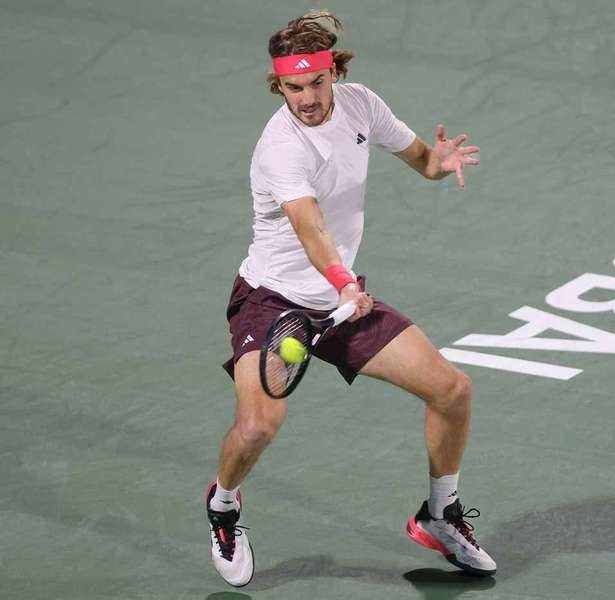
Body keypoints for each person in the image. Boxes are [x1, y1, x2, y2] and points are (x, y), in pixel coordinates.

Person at [205, 10, 495, 587]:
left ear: (334, 71)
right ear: (278, 85)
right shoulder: (281, 148)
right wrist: (343, 283)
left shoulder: (361, 104)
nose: (308, 99)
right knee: (259, 426)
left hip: (341, 299)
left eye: (317, 82)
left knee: (452, 391)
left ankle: (439, 516)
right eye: (294, 87)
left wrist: (439, 163)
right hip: (272, 301)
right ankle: (223, 505)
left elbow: (422, 159)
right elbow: (311, 229)